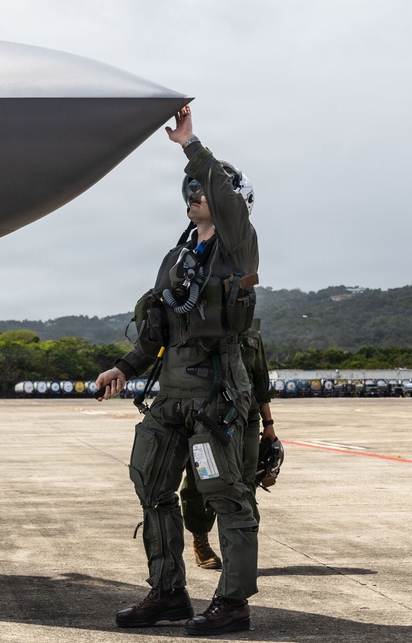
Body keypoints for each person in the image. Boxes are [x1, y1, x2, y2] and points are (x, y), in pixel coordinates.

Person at [96, 104, 260, 636]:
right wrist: (122, 368)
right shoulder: (177, 258)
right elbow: (155, 333)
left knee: (225, 496)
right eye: (189, 191)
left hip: (215, 396)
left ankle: (233, 604)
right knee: (152, 486)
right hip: (171, 396)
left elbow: (217, 185)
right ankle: (167, 594)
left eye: (204, 190)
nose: (195, 196)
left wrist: (191, 146)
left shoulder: (237, 246)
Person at [180, 321, 278, 571]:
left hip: (248, 416)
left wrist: (269, 425)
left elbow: (261, 384)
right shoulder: (200, 330)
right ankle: (200, 540)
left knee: (245, 483)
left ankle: (240, 548)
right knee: (201, 478)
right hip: (210, 414)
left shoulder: (253, 337)